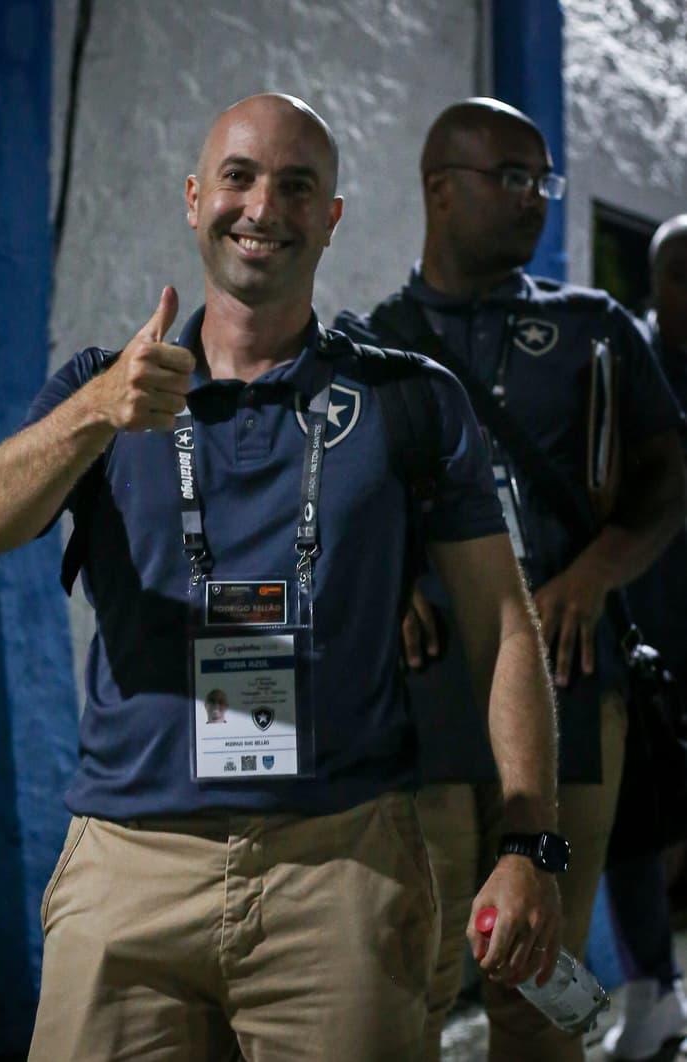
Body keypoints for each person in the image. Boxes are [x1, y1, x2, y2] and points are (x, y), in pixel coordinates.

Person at [0, 93, 563, 1062]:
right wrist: (95, 412)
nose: (263, 207)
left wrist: (529, 843)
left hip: (341, 867)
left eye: (297, 186)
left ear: (331, 218)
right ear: (195, 197)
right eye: (237, 177)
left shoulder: (409, 400)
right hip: (129, 868)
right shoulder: (107, 388)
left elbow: (504, 627)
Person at [334, 99, 687, 1062]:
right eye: (512, 177)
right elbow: (333, 507)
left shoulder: (594, 328)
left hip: (572, 692)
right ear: (440, 189)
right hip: (424, 704)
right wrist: (388, 582)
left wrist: (596, 573)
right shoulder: (371, 346)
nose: (535, 198)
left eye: (543, 180)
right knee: (410, 969)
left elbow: (668, 482)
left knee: (545, 978)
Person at [602, 214, 687, 1060]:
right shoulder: (621, 365)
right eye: (680, 273)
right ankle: (651, 989)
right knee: (632, 824)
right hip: (645, 631)